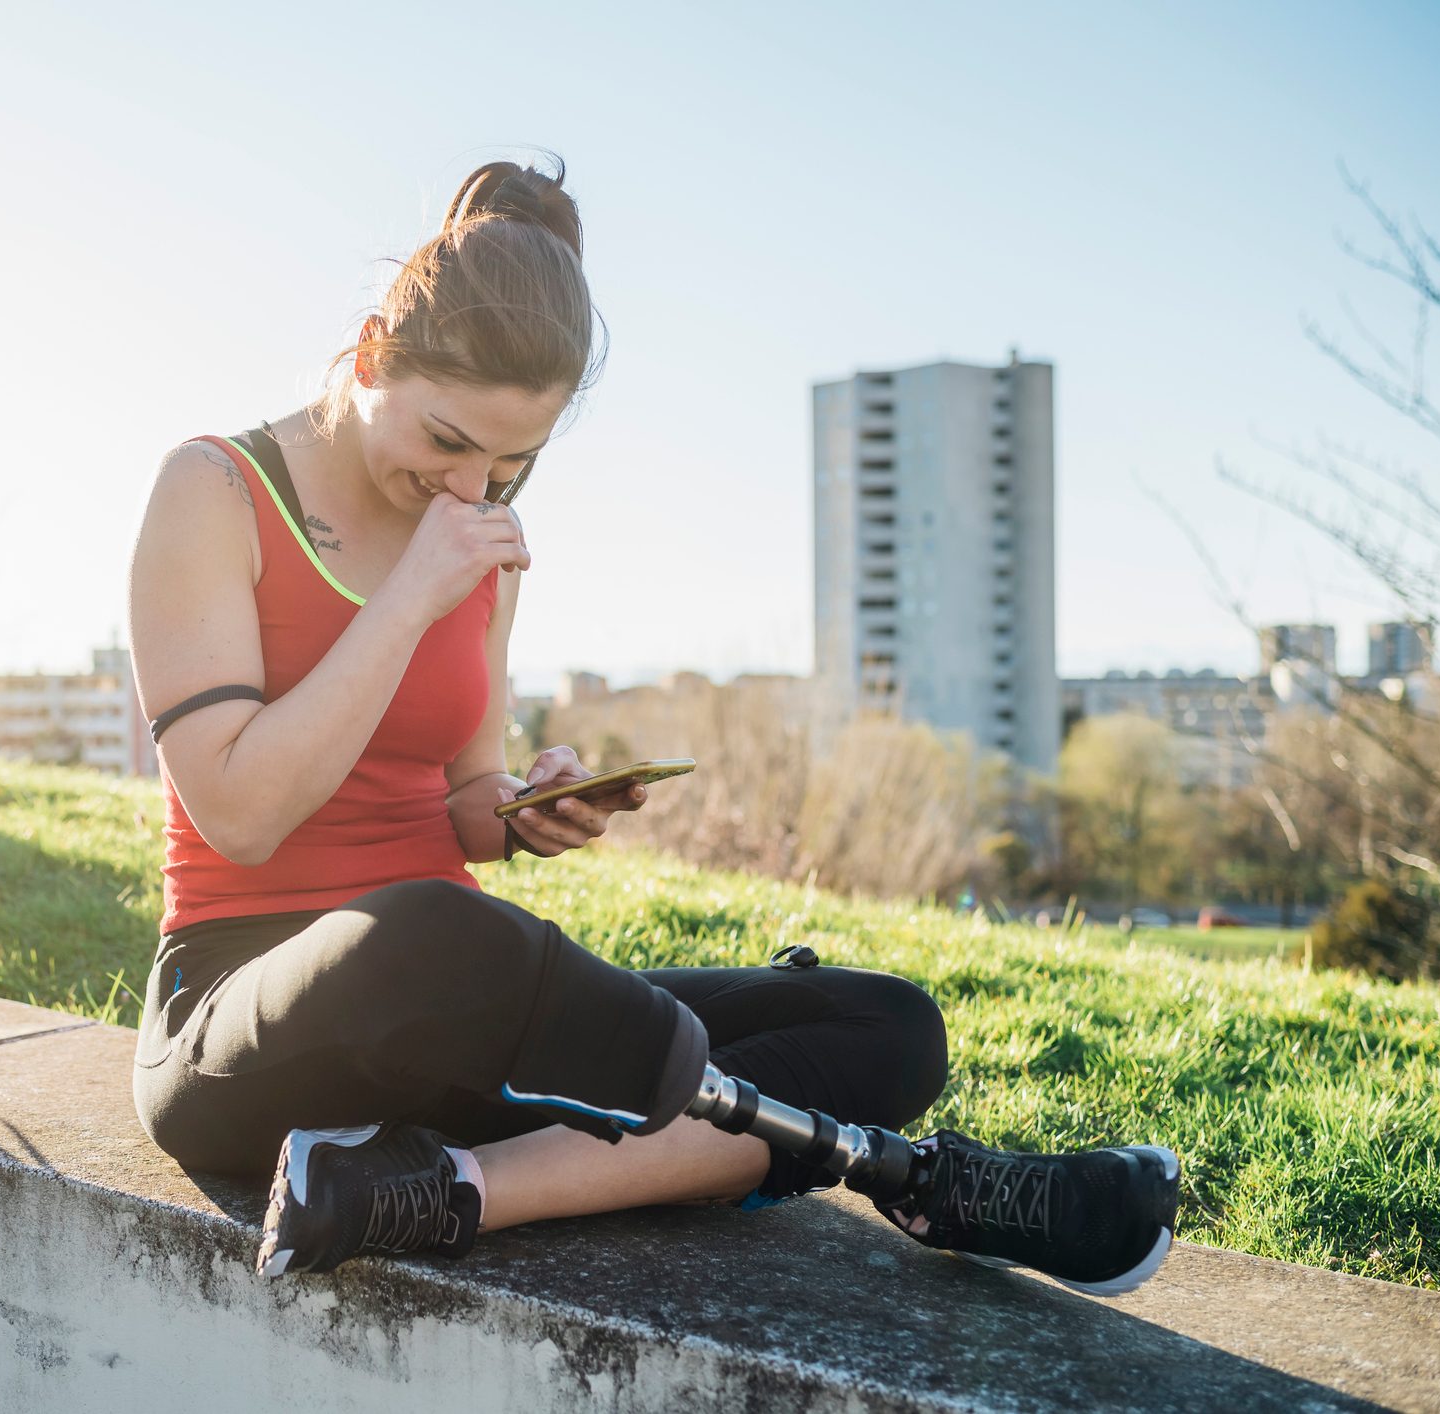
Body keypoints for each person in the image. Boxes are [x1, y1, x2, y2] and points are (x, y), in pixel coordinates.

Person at [126, 157, 1178, 1295]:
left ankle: (441, 1188)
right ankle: (905, 1171)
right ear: (375, 351)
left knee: (885, 1025)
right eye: (446, 442)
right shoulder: (216, 490)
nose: (471, 491)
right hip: (254, 1016)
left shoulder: (478, 547)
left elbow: (460, 805)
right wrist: (408, 600)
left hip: (465, 1015)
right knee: (429, 934)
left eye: (510, 464)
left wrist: (531, 809)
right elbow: (238, 811)